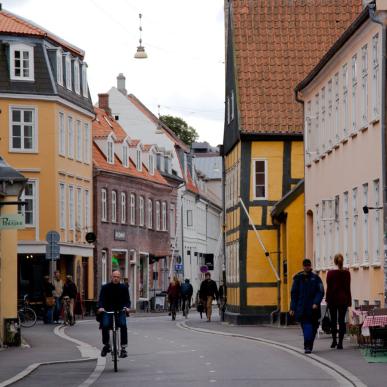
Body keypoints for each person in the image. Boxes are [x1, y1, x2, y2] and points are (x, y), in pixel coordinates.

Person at [290, 258, 324, 354]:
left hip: (314, 309)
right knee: (306, 326)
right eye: (305, 266)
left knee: (314, 327)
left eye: (308, 265)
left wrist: (316, 302)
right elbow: (294, 294)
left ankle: (309, 344)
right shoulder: (298, 279)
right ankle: (307, 346)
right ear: (303, 266)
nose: (307, 267)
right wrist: (292, 307)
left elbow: (320, 291)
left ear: (310, 266)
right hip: (302, 308)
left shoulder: (316, 278)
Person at [98, 271, 130, 358]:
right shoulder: (105, 287)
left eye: (117, 277)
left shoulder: (124, 288)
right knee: (105, 325)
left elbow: (127, 300)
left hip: (120, 310)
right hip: (108, 310)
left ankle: (123, 348)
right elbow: (101, 299)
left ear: (120, 278)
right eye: (114, 276)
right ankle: (106, 345)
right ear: (111, 277)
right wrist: (101, 307)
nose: (116, 278)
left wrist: (127, 307)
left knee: (123, 325)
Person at [326, 253, 351, 350]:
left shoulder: (330, 273)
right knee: (341, 321)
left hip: (332, 300)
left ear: (335, 261)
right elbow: (348, 288)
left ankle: (334, 341)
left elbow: (329, 287)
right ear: (342, 261)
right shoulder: (347, 273)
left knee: (333, 321)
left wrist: (327, 299)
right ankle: (340, 343)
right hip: (343, 300)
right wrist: (349, 301)